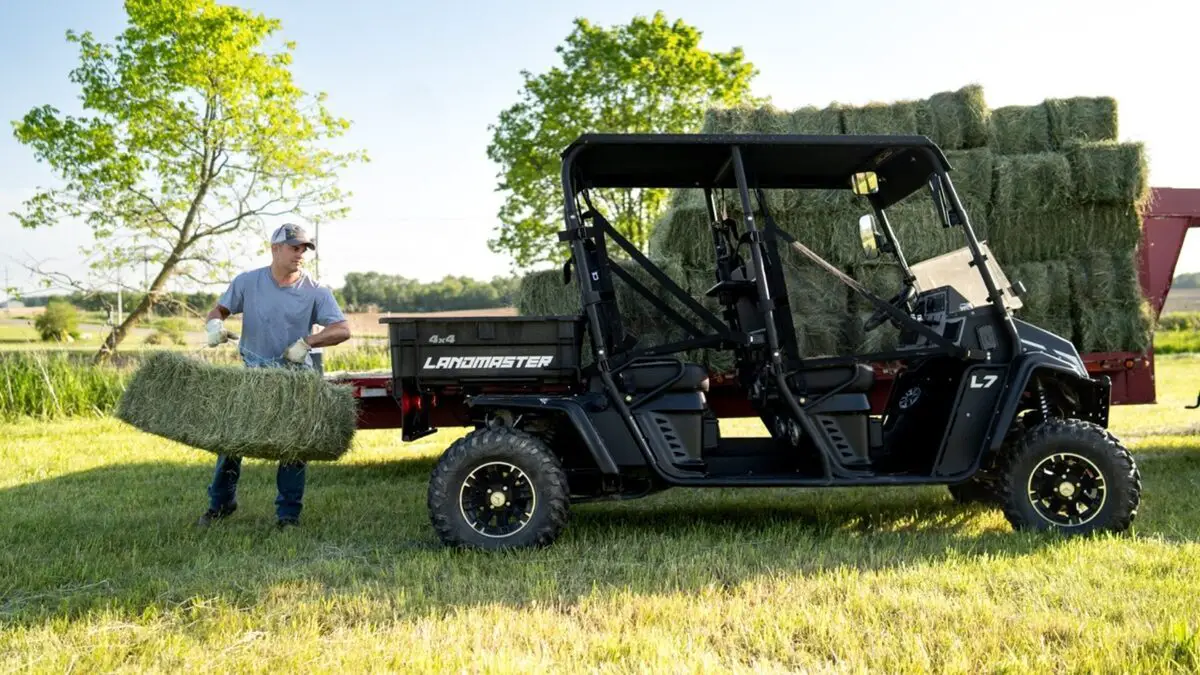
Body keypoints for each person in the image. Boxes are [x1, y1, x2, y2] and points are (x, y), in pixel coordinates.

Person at [197, 223, 352, 529]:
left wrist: (307, 342)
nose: (300, 254)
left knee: (293, 446)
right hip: (253, 376)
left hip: (294, 381)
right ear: (275, 248)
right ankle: (220, 504)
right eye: (294, 248)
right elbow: (219, 311)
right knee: (232, 441)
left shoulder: (315, 290)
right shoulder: (247, 282)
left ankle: (288, 516)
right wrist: (214, 325)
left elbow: (342, 329)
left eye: (304, 249)